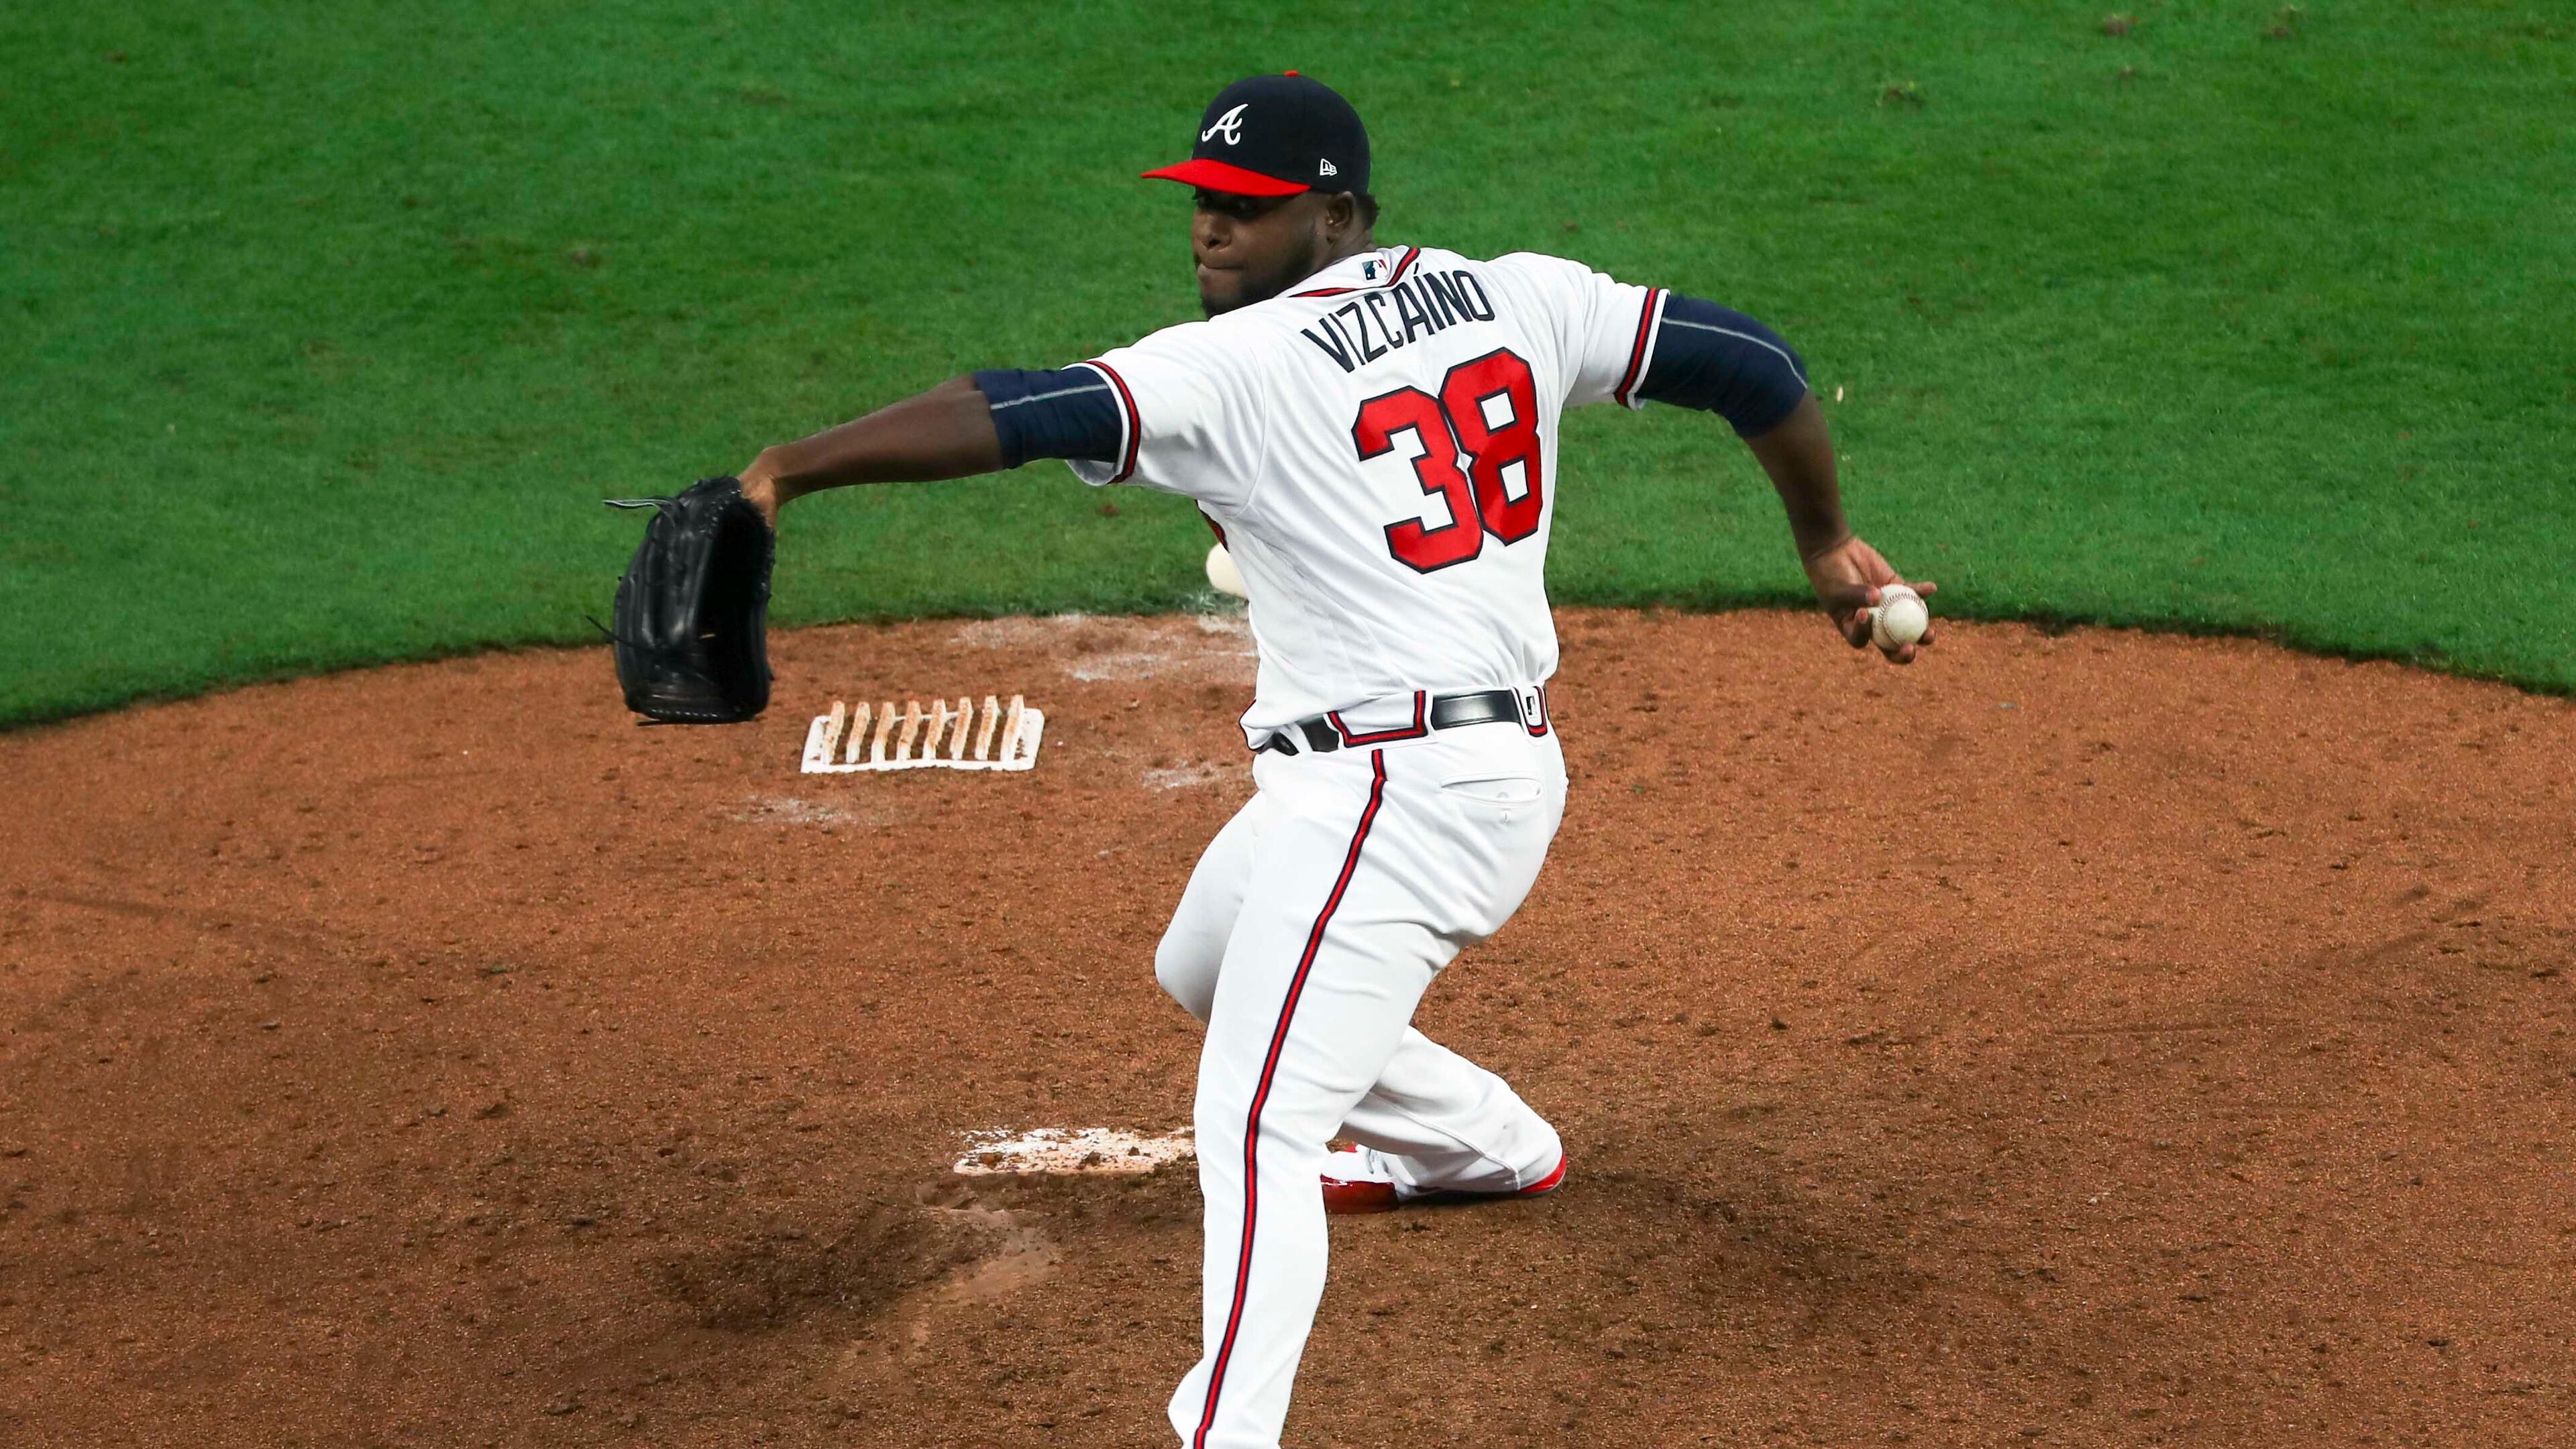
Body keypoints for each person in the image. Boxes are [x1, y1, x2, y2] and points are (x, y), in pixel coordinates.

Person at [734, 70, 1932, 1449]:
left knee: (1252, 1134)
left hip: (1400, 799)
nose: (1213, 233)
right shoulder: (1511, 292)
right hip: (1407, 778)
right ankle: (1486, 1146)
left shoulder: (1234, 367)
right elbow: (1755, 368)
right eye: (1203, 206)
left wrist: (789, 468)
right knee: (1202, 964)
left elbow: (1015, 409)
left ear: (1340, 215)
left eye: (1249, 209)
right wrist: (1823, 540)